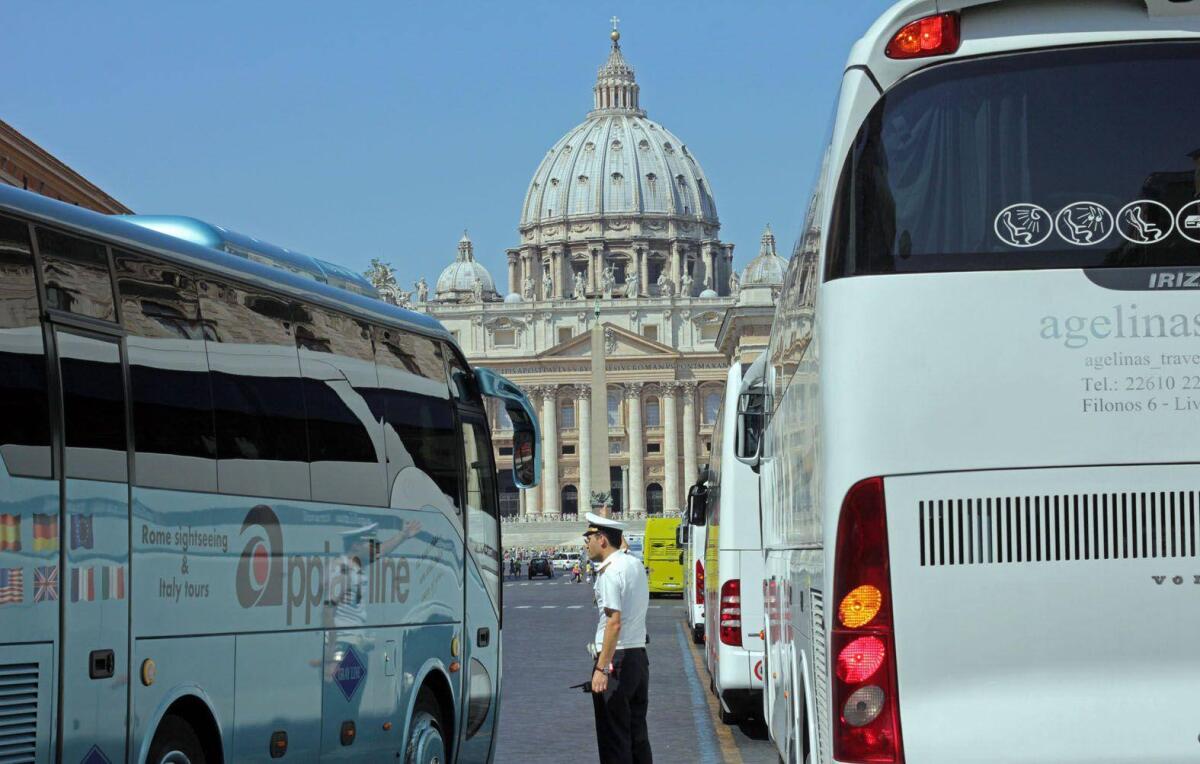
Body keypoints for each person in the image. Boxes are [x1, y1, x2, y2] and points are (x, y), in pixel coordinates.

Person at [582, 512, 651, 764]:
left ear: (601, 539)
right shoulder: (633, 564)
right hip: (637, 658)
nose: (585, 543)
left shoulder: (610, 572)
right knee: (637, 734)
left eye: (588, 537)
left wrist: (601, 667)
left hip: (616, 660)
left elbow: (613, 623)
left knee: (614, 738)